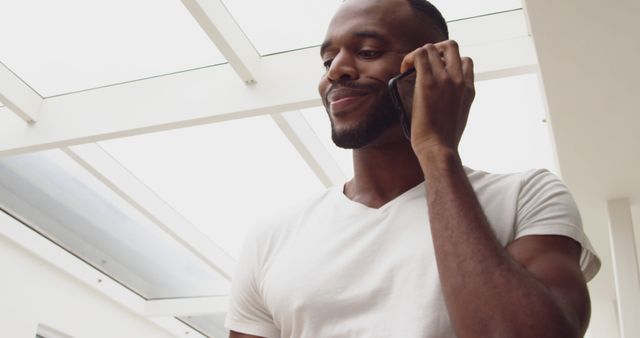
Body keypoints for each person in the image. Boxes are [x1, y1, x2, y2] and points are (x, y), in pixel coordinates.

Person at [225, 0, 600, 337]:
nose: (335, 71)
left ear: (433, 67)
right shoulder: (271, 238)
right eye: (327, 61)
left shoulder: (527, 197)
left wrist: (436, 152)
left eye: (368, 51)